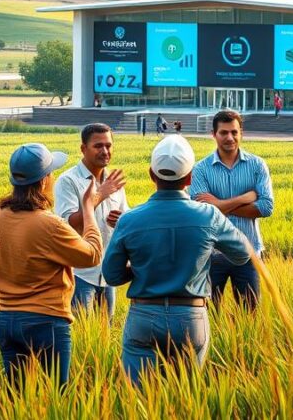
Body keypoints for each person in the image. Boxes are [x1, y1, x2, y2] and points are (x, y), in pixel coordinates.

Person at [102, 135, 251, 386]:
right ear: (190, 178)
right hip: (190, 315)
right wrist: (200, 259)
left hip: (144, 315)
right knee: (186, 396)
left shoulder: (129, 219)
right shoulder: (208, 215)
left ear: (152, 174)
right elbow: (243, 253)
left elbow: (112, 275)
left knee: (138, 397)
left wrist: (143, 268)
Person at [0, 144, 103, 386]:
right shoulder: (49, 224)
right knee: (57, 396)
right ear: (42, 182)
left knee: (17, 396)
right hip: (46, 321)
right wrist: (88, 209)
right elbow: (92, 255)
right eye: (51, 173)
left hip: (6, 319)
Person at [190, 109, 274, 309]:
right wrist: (244, 198)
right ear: (214, 134)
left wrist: (217, 205)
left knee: (249, 314)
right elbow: (199, 211)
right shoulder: (201, 169)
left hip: (249, 253)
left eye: (234, 132)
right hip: (211, 254)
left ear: (241, 133)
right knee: (208, 314)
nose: (230, 137)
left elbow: (266, 207)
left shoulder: (257, 165)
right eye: (224, 132)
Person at [53, 123, 129, 319]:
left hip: (108, 274)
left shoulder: (113, 182)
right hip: (80, 275)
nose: (105, 151)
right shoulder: (68, 181)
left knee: (104, 333)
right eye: (98, 146)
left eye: (108, 145)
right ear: (83, 148)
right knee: (80, 331)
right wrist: (99, 196)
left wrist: (121, 221)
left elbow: (125, 222)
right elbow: (67, 225)